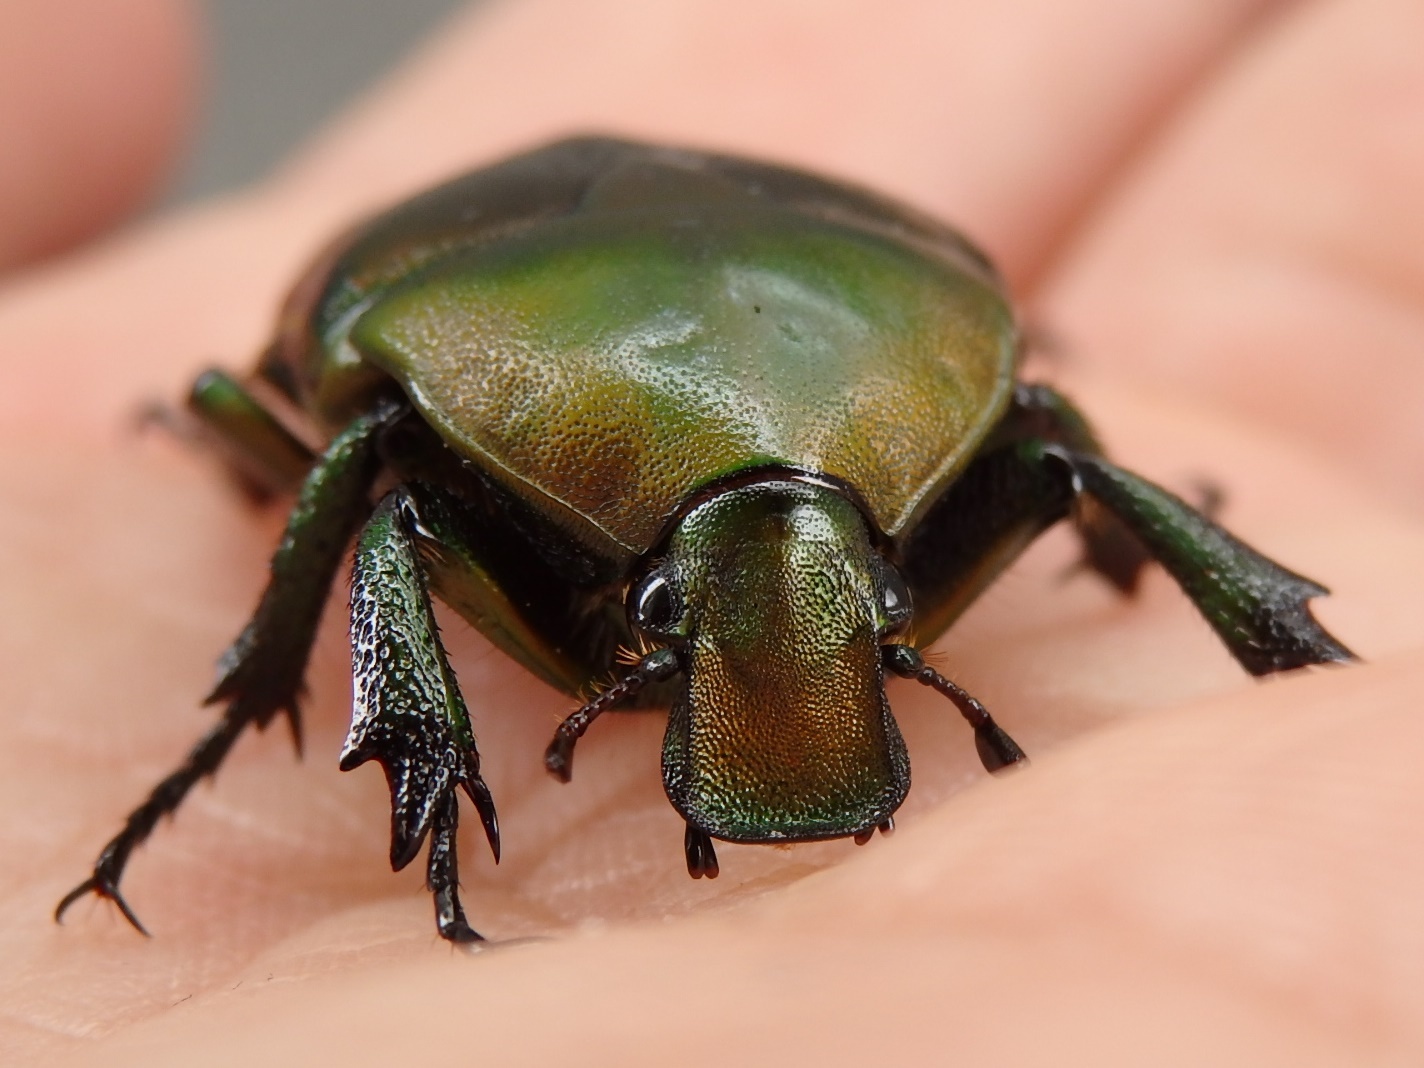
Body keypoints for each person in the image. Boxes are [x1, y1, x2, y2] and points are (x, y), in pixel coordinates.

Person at [4, 0, 1422, 1062]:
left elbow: (1041, 435)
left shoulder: (942, 419)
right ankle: (283, 726)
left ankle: (1282, 652)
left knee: (1048, 455)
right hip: (503, 298)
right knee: (384, 489)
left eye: (860, 609)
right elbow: (373, 491)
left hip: (851, 287)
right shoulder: (458, 457)